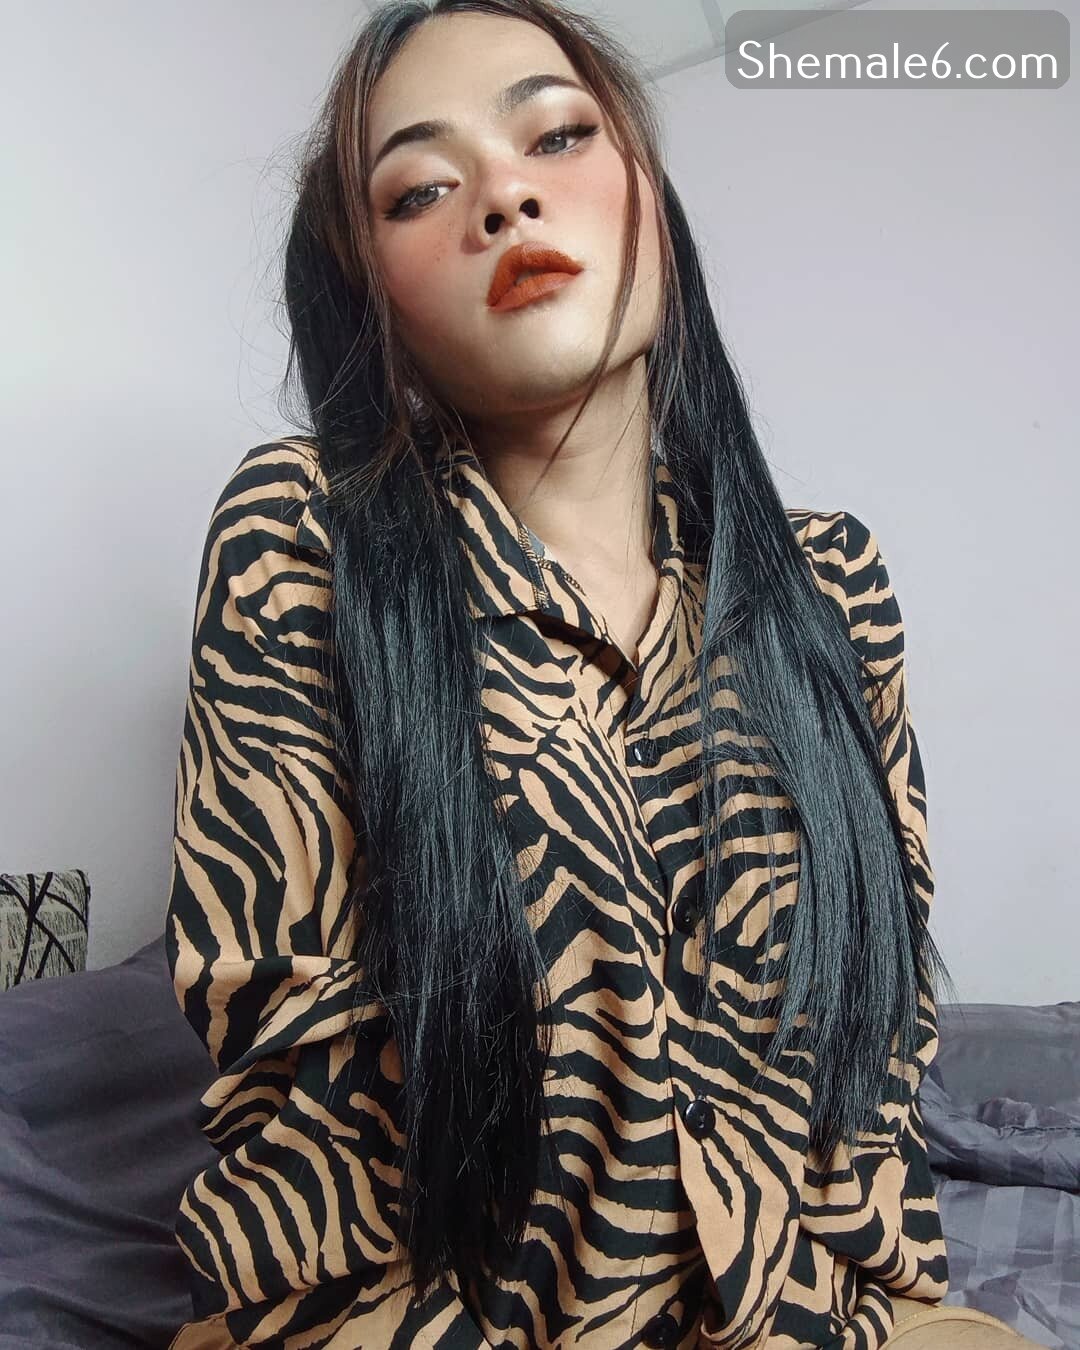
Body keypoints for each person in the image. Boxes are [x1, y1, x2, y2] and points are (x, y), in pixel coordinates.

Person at [164, 2, 1041, 1347]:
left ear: (649, 193)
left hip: (808, 1298)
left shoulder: (833, 584)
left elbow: (882, 1026)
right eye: (420, 189)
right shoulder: (309, 537)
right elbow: (290, 1044)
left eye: (559, 136)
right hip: (428, 1299)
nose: (505, 197)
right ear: (372, 293)